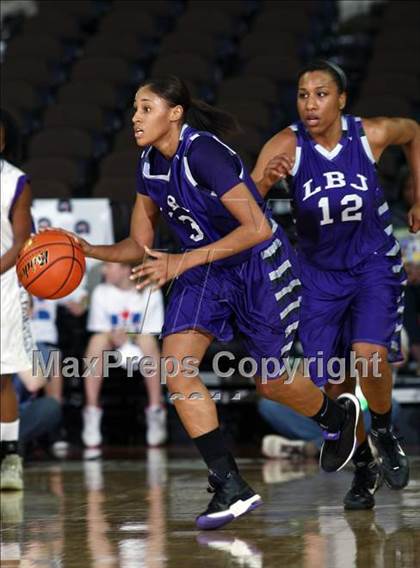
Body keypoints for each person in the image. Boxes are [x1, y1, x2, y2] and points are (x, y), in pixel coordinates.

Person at [49, 76, 361, 530]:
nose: (135, 118)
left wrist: (180, 263)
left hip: (256, 265)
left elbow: (255, 227)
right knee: (176, 367)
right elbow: (141, 245)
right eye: (134, 109)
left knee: (271, 382)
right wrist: (86, 249)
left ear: (174, 113)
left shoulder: (205, 154)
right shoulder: (148, 166)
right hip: (204, 272)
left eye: (145, 108)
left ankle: (336, 415)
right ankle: (229, 482)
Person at [252, 60, 420, 510]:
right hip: (316, 277)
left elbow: (414, 132)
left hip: (371, 264)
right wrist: (265, 184)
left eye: (321, 94)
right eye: (304, 95)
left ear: (341, 100)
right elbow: (244, 206)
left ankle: (383, 429)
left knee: (369, 357)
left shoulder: (370, 134)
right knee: (335, 387)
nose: (311, 103)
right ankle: (362, 462)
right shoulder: (286, 144)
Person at [82, 262, 165, 458]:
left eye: (109, 266)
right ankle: (92, 412)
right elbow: (99, 328)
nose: (104, 270)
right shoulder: (101, 291)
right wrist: (113, 336)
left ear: (126, 269)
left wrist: (129, 335)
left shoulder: (151, 291)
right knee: (96, 342)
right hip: (112, 344)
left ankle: (155, 411)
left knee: (148, 341)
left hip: (139, 344)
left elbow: (152, 330)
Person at [0, 109, 33, 490]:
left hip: (4, 286)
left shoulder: (15, 182)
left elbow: (23, 239)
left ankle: (10, 456)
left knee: (2, 378)